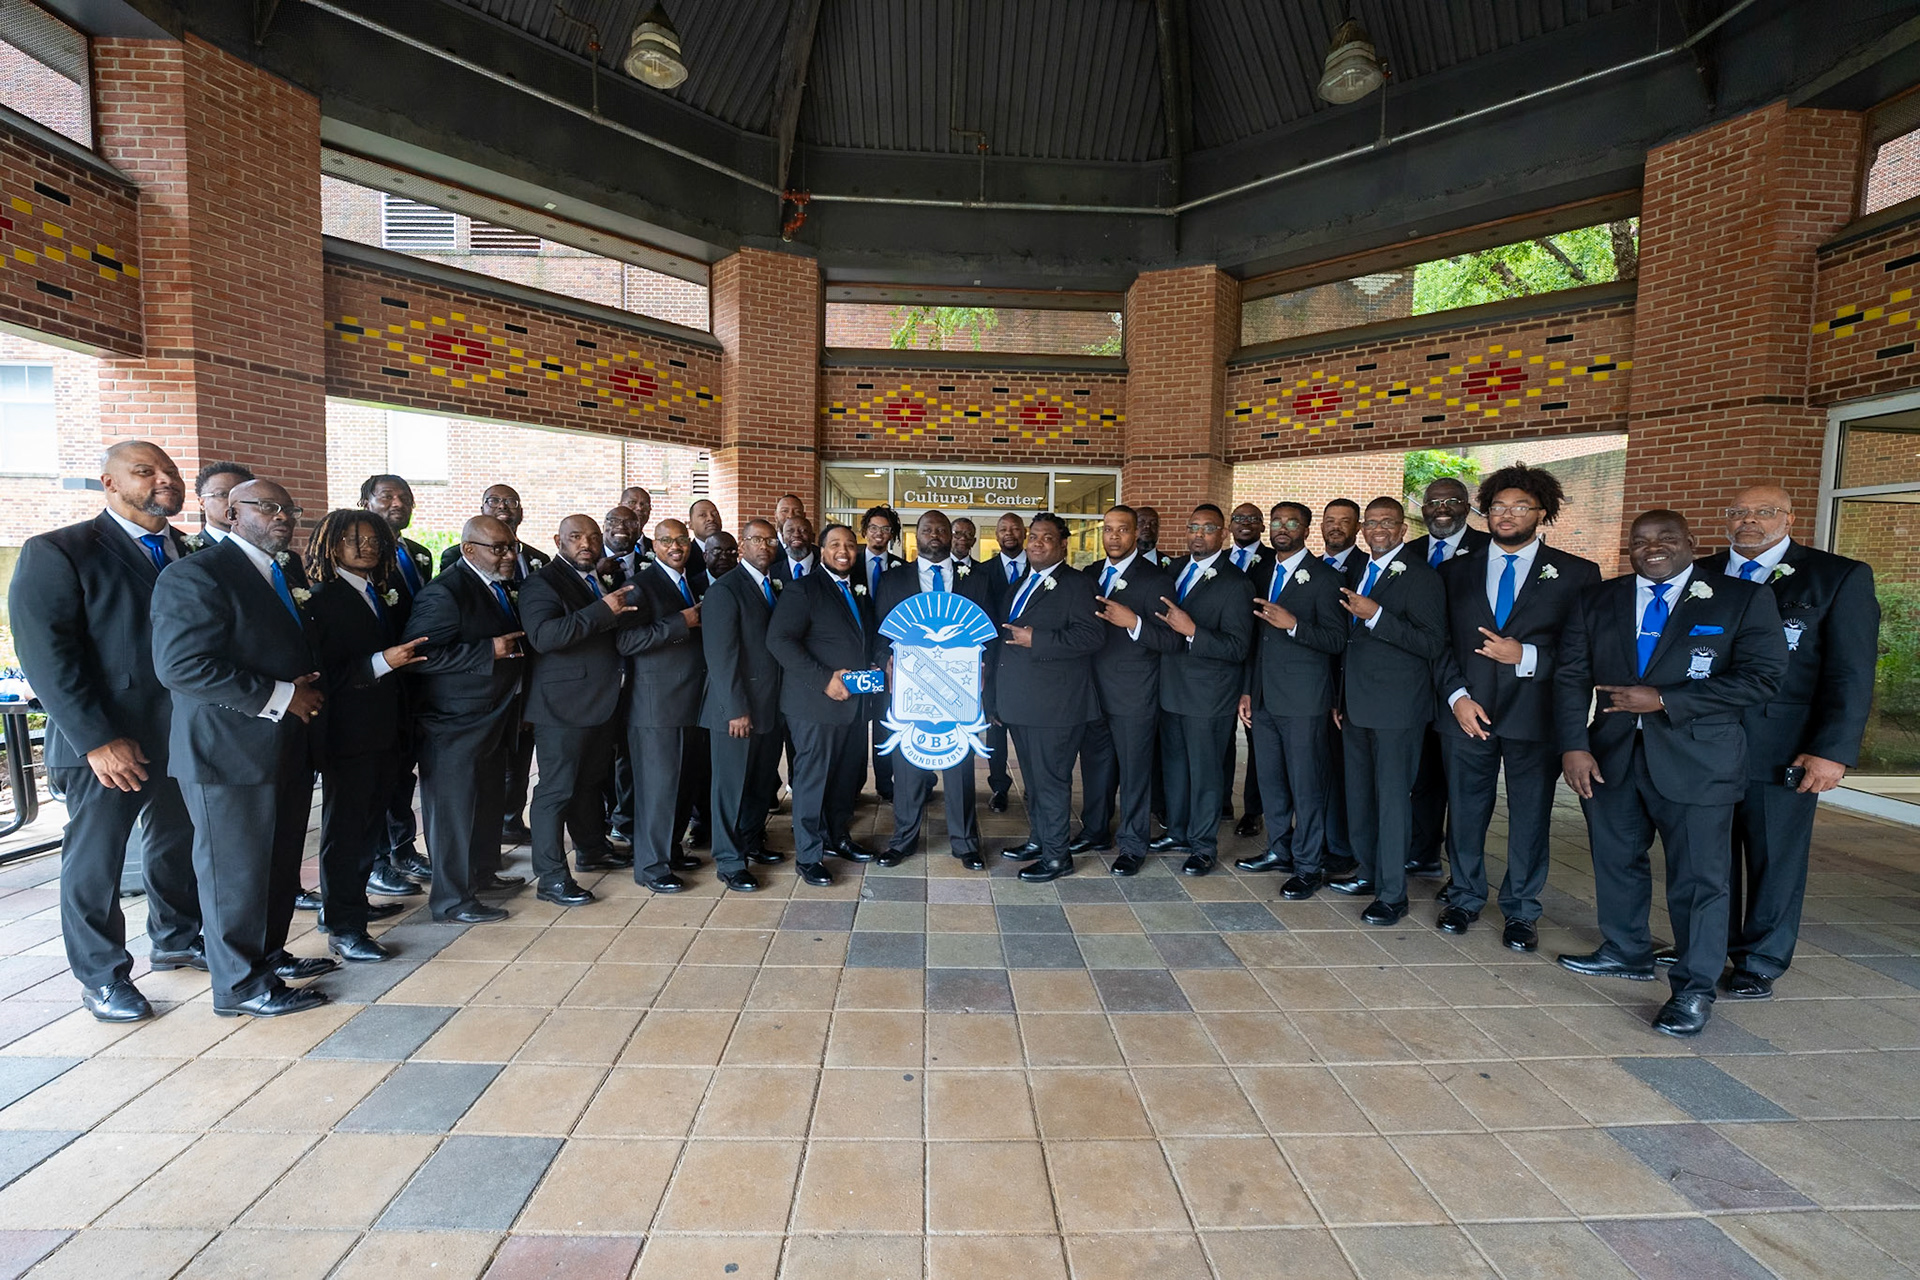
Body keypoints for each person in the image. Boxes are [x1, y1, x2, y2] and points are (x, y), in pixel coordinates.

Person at [1556, 510, 1786, 1036]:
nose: (1651, 547)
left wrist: (1665, 699)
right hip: (1611, 755)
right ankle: (1625, 949)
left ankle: (1694, 989)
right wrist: (1573, 746)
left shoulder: (1741, 598)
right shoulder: (1598, 599)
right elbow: (1570, 676)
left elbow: (1763, 677)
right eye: (1640, 541)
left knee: (1700, 880)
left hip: (1699, 761)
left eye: (1664, 538)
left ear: (1689, 542)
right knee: (1616, 859)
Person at [8, 441, 204, 1022]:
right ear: (109, 483)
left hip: (184, 734)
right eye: (145, 471)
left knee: (176, 844)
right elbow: (47, 655)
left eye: (170, 470)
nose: (164, 479)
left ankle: (176, 938)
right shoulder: (60, 550)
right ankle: (102, 977)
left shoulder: (190, 551)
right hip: (107, 741)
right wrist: (96, 739)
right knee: (97, 861)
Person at [152, 479, 335, 1017]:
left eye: (289, 508)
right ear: (232, 513)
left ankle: (268, 959)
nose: (283, 516)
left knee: (276, 866)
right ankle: (239, 987)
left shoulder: (284, 572)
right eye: (268, 507)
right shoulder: (196, 574)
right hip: (227, 753)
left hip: (284, 746)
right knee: (236, 874)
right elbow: (182, 666)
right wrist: (282, 696)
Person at [1685, 487, 1877, 999]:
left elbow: (1852, 672)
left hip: (1783, 746)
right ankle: (1707, 946)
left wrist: (1832, 750)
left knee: (1775, 856)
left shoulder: (1836, 577)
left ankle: (1760, 959)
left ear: (1789, 519)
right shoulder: (1699, 573)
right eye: (1738, 512)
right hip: (1700, 741)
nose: (1749, 521)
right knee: (1706, 854)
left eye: (1764, 512)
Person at [1433, 465, 1601, 948]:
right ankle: (1464, 896)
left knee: (1530, 816)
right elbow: (1438, 643)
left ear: (1542, 513)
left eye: (1520, 507)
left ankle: (1522, 909)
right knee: (1465, 811)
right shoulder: (1454, 571)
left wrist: (1525, 655)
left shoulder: (1577, 574)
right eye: (1498, 507)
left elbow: (1582, 655)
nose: (1506, 516)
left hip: (1535, 715)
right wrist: (1457, 698)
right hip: (1467, 713)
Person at [305, 509, 431, 963]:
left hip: (385, 728)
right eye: (354, 538)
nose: (367, 546)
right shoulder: (322, 598)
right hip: (349, 733)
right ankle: (343, 926)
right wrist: (382, 663)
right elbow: (323, 673)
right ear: (331, 544)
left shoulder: (379, 592)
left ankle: (350, 906)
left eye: (375, 538)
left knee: (368, 828)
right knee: (346, 832)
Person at [1330, 497, 1448, 926]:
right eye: (1372, 522)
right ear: (1363, 529)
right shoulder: (1361, 570)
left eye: (1388, 522)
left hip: (1398, 710)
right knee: (1360, 795)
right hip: (1356, 705)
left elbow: (1432, 643)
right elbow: (1349, 645)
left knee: (1393, 801)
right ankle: (1368, 872)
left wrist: (1377, 615)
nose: (1379, 529)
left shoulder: (1422, 576)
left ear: (1402, 529)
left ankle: (1393, 894)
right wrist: (1340, 699)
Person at [408, 515, 530, 924]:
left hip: (492, 717)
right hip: (453, 723)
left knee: (486, 802)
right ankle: (451, 900)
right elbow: (418, 656)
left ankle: (482, 874)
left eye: (511, 547)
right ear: (469, 549)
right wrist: (486, 651)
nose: (509, 555)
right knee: (454, 814)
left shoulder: (495, 586)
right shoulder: (445, 593)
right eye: (499, 548)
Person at [520, 515, 647, 907]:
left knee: (590, 781)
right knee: (555, 791)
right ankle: (551, 877)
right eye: (576, 537)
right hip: (562, 706)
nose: (586, 543)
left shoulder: (595, 579)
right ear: (558, 540)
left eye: (592, 537)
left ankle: (592, 848)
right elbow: (544, 637)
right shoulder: (542, 583)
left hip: (599, 702)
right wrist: (603, 610)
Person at [1235, 501, 1347, 897]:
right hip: (1264, 697)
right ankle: (1279, 849)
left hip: (1304, 701)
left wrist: (1295, 625)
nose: (1282, 528)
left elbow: (1336, 639)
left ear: (1306, 529)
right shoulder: (1261, 572)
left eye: (1291, 523)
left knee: (1306, 785)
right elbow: (1255, 642)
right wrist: (1248, 689)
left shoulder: (1325, 577)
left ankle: (1309, 865)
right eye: (1277, 522)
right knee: (1271, 781)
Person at [875, 511, 997, 870]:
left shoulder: (977, 580)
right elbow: (879, 634)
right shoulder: (893, 579)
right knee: (908, 766)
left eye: (941, 529)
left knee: (959, 769)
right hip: (911, 691)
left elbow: (989, 634)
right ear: (917, 536)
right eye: (927, 529)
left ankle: (965, 844)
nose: (934, 535)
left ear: (952, 535)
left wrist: (984, 671)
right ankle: (903, 840)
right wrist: (886, 663)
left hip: (959, 691)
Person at [995, 512, 1105, 882]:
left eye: (1046, 537)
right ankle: (1040, 840)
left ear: (1063, 544)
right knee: (1034, 781)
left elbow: (1092, 636)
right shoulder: (1021, 584)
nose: (1037, 543)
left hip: (1057, 707)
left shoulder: (1078, 584)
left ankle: (1058, 858)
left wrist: (1038, 639)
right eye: (1033, 537)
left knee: (1052, 782)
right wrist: (998, 699)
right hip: (1021, 703)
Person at [767, 524, 879, 886]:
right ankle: (809, 855)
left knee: (845, 778)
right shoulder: (803, 589)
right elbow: (779, 641)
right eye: (835, 545)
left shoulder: (858, 590)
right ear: (822, 550)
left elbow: (862, 639)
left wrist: (877, 664)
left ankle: (837, 837)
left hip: (853, 705)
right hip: (813, 705)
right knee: (812, 781)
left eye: (850, 545)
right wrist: (824, 679)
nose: (843, 551)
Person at [1150, 503, 1256, 875]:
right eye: (1193, 527)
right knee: (1175, 768)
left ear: (1223, 534)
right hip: (1170, 688)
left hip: (1210, 696)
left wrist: (1194, 631)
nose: (1199, 534)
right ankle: (1177, 832)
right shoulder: (1173, 570)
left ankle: (1203, 845)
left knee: (1206, 774)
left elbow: (1238, 647)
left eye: (1208, 528)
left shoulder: (1237, 583)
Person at [1404, 478, 1492, 880]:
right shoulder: (1410, 553)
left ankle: (1462, 874)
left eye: (1452, 500)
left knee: (1463, 788)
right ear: (1422, 508)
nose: (1442, 508)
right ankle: (1423, 853)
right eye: (1433, 501)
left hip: (1467, 686)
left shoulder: (1488, 551)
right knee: (1423, 775)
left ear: (1467, 506)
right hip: (1416, 685)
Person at [1084, 505, 1180, 876]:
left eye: (1122, 529)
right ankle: (1094, 831)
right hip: (1092, 692)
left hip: (1134, 694)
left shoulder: (1156, 579)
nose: (1114, 536)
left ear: (1136, 532)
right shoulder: (1090, 573)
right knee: (1096, 768)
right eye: (1108, 529)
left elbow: (1172, 640)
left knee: (1135, 774)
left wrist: (1134, 622)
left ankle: (1133, 844)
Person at [617, 519, 709, 891]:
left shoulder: (691, 582)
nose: (676, 546)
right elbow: (626, 641)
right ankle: (651, 867)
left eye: (682, 539)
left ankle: (670, 851)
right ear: (654, 545)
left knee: (682, 785)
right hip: (655, 707)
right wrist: (679, 622)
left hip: (689, 702)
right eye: (667, 540)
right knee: (657, 790)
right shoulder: (640, 586)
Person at [701, 518, 791, 891]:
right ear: (743, 546)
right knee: (731, 787)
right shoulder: (726, 590)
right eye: (756, 539)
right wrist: (735, 709)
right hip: (735, 710)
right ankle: (729, 860)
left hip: (769, 706)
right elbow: (721, 657)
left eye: (771, 540)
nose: (765, 546)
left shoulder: (775, 586)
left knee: (758, 783)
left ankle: (752, 841)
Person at [360, 473, 434, 895]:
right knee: (375, 779)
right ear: (366, 503)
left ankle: (403, 849)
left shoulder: (418, 554)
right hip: (375, 675)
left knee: (403, 771)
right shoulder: (362, 556)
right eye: (386, 496)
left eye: (405, 497)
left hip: (413, 677)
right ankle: (375, 861)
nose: (397, 503)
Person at [1317, 498, 1365, 876]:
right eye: (1330, 520)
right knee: (1317, 767)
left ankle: (1344, 846)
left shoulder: (1366, 568)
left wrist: (1344, 693)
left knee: (1345, 770)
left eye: (1344, 521)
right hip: (1311, 687)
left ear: (1357, 527)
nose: (1336, 527)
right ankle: (1319, 837)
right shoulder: (1312, 568)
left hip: (1349, 688)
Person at [1223, 502, 1272, 834]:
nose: (1245, 523)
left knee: (1258, 740)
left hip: (1258, 662)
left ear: (1262, 527)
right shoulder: (1219, 559)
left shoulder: (1273, 561)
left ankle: (1254, 809)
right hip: (1222, 663)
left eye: (1253, 519)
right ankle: (1221, 800)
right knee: (1220, 737)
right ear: (1230, 525)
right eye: (1239, 518)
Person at [598, 504, 644, 854]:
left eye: (629, 522)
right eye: (614, 521)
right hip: (599, 676)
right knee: (601, 754)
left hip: (639, 673)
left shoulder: (650, 561)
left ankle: (625, 819)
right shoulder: (589, 564)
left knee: (629, 752)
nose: (622, 527)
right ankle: (602, 821)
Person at [981, 512, 1030, 812]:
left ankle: (1033, 786)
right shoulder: (982, 572)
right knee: (995, 727)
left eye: (1014, 528)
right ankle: (999, 787)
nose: (1009, 533)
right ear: (996, 534)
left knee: (1028, 730)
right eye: (1003, 529)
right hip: (994, 660)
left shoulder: (1039, 569)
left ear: (1024, 533)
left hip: (1030, 662)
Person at [190, 461, 253, 548]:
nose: (233, 501)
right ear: (202, 503)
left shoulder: (265, 547)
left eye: (241, 495)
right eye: (223, 494)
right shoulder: (189, 551)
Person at [772, 514, 818, 583]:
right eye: (790, 531)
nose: (796, 535)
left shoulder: (826, 568)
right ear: (783, 538)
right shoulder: (772, 572)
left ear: (813, 537)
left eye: (803, 530)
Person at [619, 487, 655, 559]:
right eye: (632, 503)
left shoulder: (656, 548)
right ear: (620, 506)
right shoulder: (601, 545)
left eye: (644, 504)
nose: (639, 508)